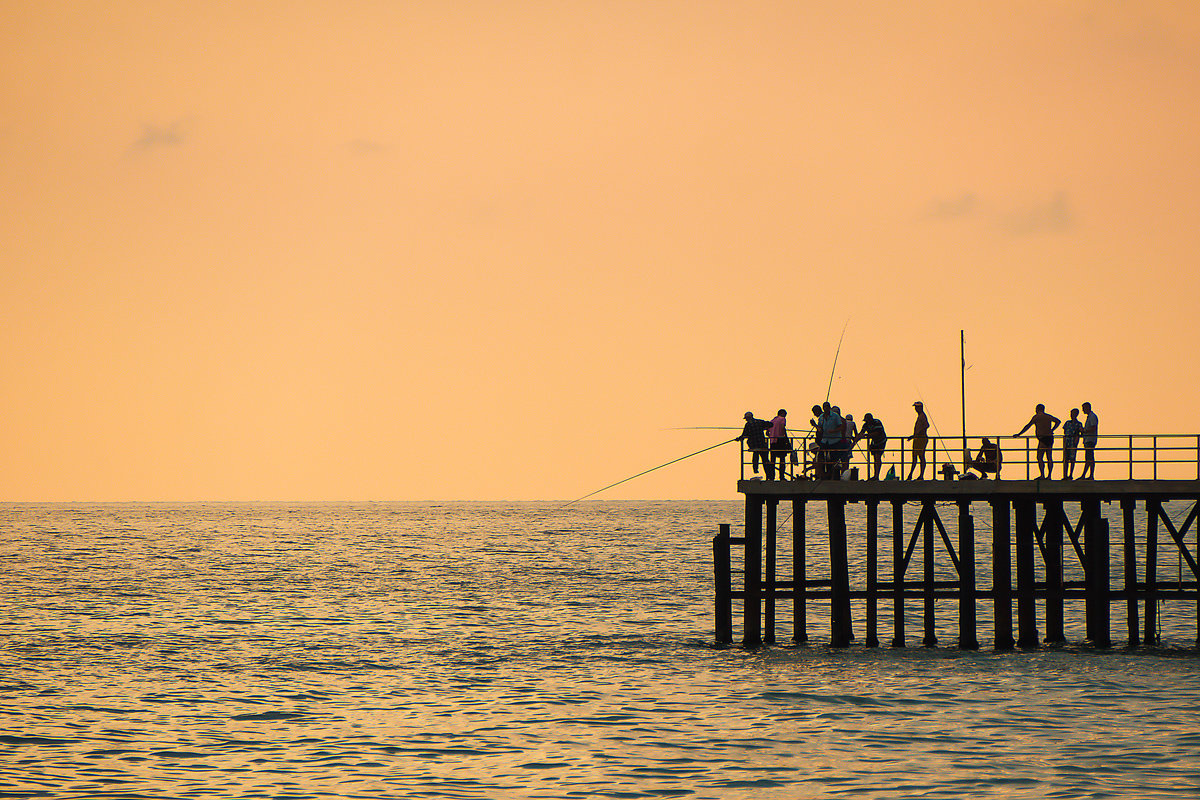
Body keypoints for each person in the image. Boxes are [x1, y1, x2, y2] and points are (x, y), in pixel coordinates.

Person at [1014, 403, 1062, 479]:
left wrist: (1019, 434)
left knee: (1039, 457)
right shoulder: (1048, 416)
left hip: (1043, 438)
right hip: (1049, 437)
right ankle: (1049, 476)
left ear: (1037, 409)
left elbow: (1028, 426)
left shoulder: (1036, 417)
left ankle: (1043, 475)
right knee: (1049, 457)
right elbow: (1058, 421)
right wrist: (1052, 430)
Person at [737, 412, 773, 479]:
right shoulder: (759, 421)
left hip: (754, 445)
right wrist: (764, 428)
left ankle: (755, 469)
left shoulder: (748, 424)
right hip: (762, 444)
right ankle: (769, 476)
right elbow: (770, 424)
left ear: (748, 418)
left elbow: (744, 435)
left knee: (755, 455)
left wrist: (738, 439)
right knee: (765, 460)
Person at [855, 413, 887, 479]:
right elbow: (861, 433)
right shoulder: (865, 425)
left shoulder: (877, 422)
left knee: (877, 457)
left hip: (881, 441)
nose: (867, 422)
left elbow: (877, 433)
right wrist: (856, 439)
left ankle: (876, 475)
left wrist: (866, 435)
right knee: (874, 458)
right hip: (874, 442)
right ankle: (875, 475)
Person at [816, 402, 844, 479]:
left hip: (834, 440)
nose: (826, 409)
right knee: (821, 457)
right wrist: (816, 426)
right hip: (825, 440)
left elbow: (841, 427)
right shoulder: (821, 417)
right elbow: (820, 428)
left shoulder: (835, 416)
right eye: (824, 408)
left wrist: (833, 431)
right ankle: (823, 475)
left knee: (833, 459)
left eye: (827, 407)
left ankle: (832, 475)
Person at [906, 402, 929, 480]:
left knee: (920, 456)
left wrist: (917, 435)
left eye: (916, 407)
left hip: (921, 439)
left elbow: (926, 425)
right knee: (916, 457)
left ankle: (918, 475)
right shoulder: (920, 416)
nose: (915, 409)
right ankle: (911, 474)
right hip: (918, 438)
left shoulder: (922, 416)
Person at [769, 409, 792, 479]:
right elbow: (782, 428)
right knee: (782, 459)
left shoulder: (772, 421)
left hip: (772, 441)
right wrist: (786, 438)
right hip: (780, 440)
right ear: (782, 413)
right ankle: (781, 476)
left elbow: (767, 432)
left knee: (773, 460)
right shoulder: (782, 419)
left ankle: (772, 476)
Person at [1061, 408, 1083, 480]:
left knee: (1072, 459)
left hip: (1073, 443)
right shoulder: (1067, 423)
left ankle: (1070, 475)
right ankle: (1065, 475)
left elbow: (1081, 433)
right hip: (1067, 442)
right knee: (1065, 459)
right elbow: (1064, 432)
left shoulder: (1079, 424)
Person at [1079, 402, 1099, 479]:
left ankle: (1088, 475)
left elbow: (1093, 428)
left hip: (1090, 440)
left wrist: (1084, 430)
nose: (1083, 410)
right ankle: (1087, 475)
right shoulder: (1090, 417)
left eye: (1083, 408)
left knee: (1089, 457)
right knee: (1089, 457)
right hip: (1088, 439)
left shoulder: (1092, 417)